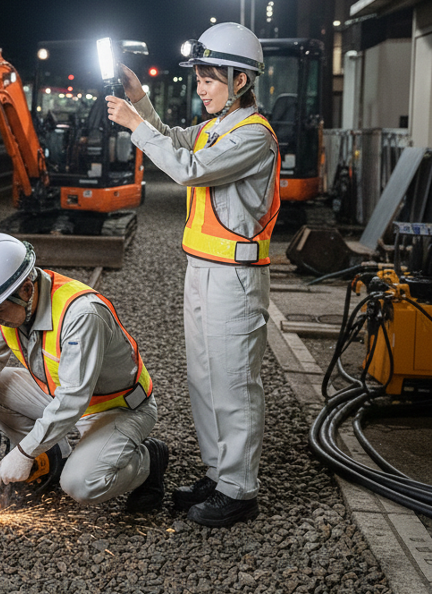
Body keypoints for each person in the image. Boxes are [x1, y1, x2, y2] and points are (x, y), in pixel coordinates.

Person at [105, 22, 280, 527]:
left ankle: (240, 490)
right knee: (204, 379)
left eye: (209, 80)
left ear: (240, 80)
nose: (200, 88)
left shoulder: (254, 135)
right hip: (202, 271)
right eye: (198, 79)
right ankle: (218, 474)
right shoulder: (213, 128)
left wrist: (132, 123)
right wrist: (140, 100)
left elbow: (189, 168)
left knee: (234, 383)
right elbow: (171, 140)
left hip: (235, 279)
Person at [0, 232, 168, 512]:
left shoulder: (81, 315)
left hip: (117, 408)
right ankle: (53, 457)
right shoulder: (2, 306)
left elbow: (73, 398)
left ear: (26, 290)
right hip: (64, 398)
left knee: (81, 484)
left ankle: (149, 460)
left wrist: (24, 451)